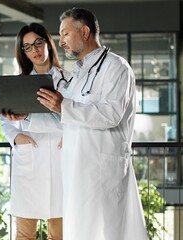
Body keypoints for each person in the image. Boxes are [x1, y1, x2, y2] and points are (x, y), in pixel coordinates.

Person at [35, 7, 148, 239]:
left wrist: (64, 106)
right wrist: (25, 116)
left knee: (106, 232)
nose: (61, 41)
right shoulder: (78, 74)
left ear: (85, 31)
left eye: (65, 34)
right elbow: (69, 119)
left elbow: (110, 114)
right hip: (76, 170)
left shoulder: (117, 68)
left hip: (102, 172)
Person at [0, 22, 69, 240]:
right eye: (28, 47)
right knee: (24, 235)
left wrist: (30, 118)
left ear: (48, 43)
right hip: (29, 159)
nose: (35, 50)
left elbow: (74, 118)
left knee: (59, 234)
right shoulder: (18, 83)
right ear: (23, 53)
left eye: (38, 43)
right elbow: (5, 120)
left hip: (61, 158)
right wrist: (15, 136)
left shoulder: (70, 80)